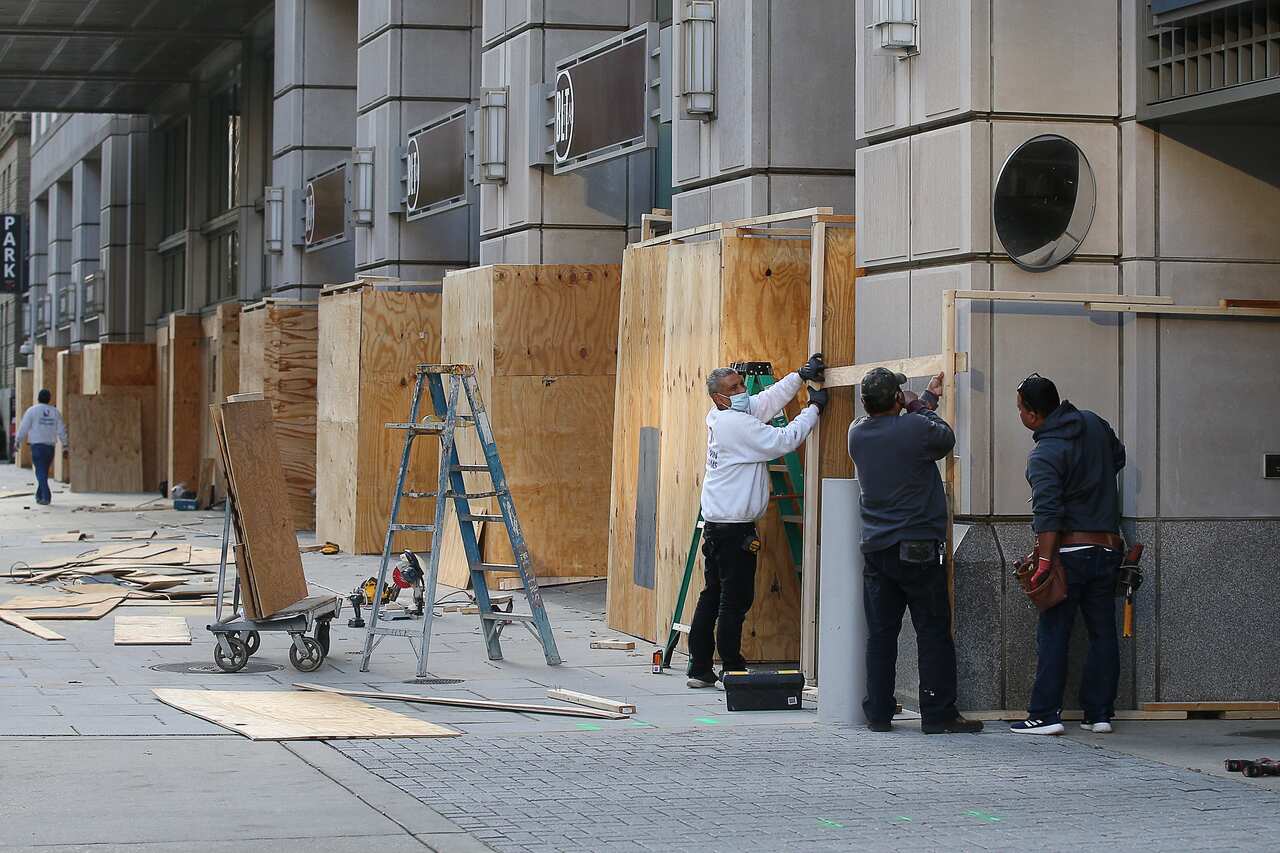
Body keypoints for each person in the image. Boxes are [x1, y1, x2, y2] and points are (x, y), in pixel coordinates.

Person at [848, 367, 982, 735]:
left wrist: (925, 399)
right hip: (918, 546)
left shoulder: (856, 433)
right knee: (932, 631)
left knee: (881, 634)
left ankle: (878, 713)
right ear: (896, 399)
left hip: (877, 548)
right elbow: (944, 437)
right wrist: (919, 404)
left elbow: (910, 432)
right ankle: (938, 714)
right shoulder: (914, 426)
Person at [687, 354, 829, 689]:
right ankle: (732, 668)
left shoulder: (725, 416)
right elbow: (783, 440)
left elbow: (765, 401)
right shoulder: (736, 426)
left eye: (741, 384)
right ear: (720, 398)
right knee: (734, 600)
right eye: (734, 388)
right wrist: (813, 409)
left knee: (713, 594)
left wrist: (798, 376)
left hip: (719, 524)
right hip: (733, 529)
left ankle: (700, 667)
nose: (742, 391)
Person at [1011, 374, 1126, 736]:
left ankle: (1045, 715)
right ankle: (1099, 714)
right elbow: (1118, 457)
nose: (1019, 414)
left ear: (1033, 415)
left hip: (1069, 552)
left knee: (1054, 634)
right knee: (1102, 632)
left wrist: (1044, 562)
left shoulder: (1044, 454)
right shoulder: (1093, 423)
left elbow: (1047, 513)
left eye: (1020, 408)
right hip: (1108, 547)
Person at [15, 388, 69, 506]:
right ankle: (39, 495)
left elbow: (24, 427)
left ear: (38, 398)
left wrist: (18, 441)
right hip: (50, 447)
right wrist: (65, 445)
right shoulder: (55, 412)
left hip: (37, 446)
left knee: (40, 472)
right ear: (49, 399)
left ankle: (46, 496)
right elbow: (61, 430)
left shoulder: (32, 411)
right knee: (43, 471)